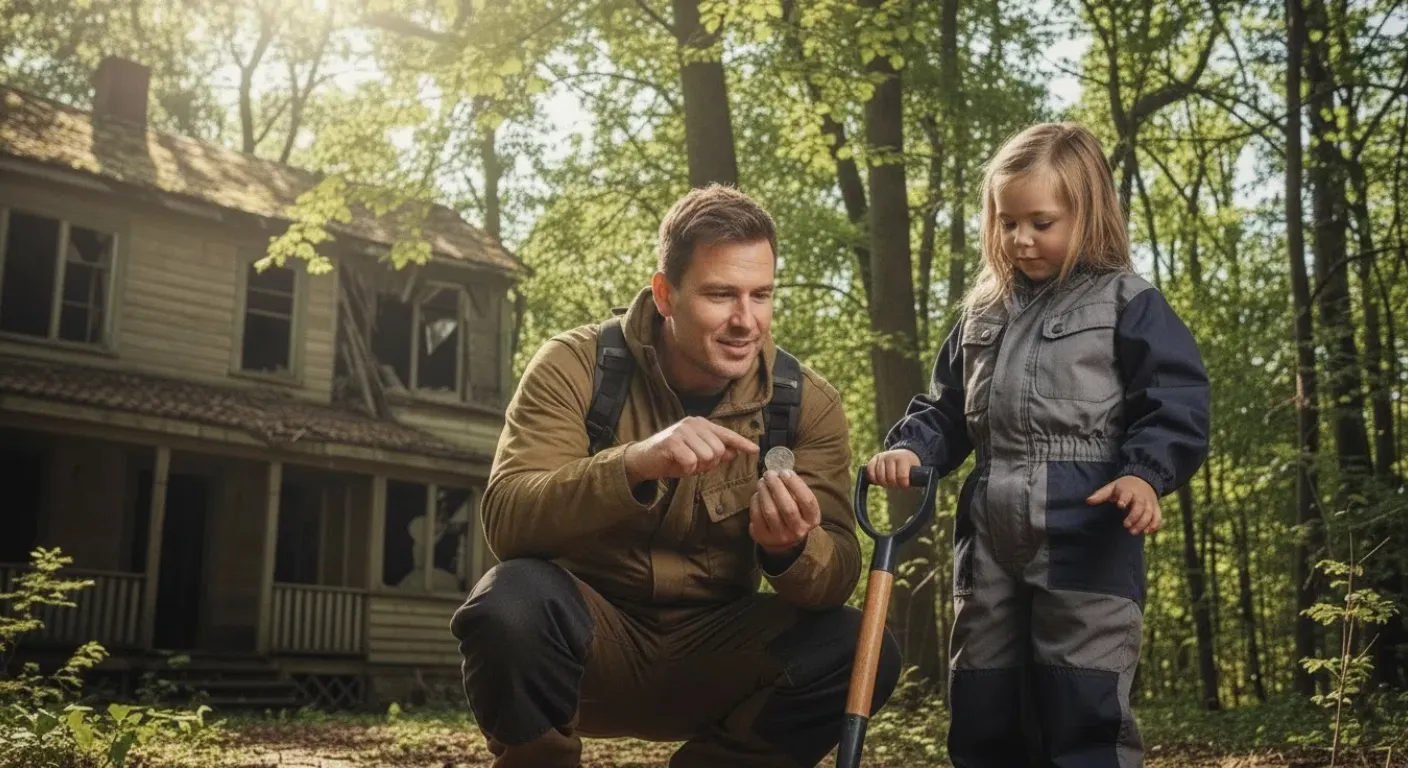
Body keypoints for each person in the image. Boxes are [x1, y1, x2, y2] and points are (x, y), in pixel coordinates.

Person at [452, 184, 901, 768]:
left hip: (719, 657)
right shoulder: (575, 365)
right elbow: (507, 520)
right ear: (665, 293)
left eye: (761, 295)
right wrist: (635, 463)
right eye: (720, 295)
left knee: (862, 647)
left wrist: (794, 550)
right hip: (589, 650)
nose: (747, 321)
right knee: (508, 601)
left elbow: (834, 577)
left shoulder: (805, 403)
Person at [866, 122, 1210, 767]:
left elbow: (1175, 401)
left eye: (1041, 222)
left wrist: (1145, 473)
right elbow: (944, 409)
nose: (1020, 239)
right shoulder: (981, 313)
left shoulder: (1125, 302)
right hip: (990, 535)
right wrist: (914, 450)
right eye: (1006, 221)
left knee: (1081, 700)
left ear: (1089, 214)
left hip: (1087, 528)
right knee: (984, 700)